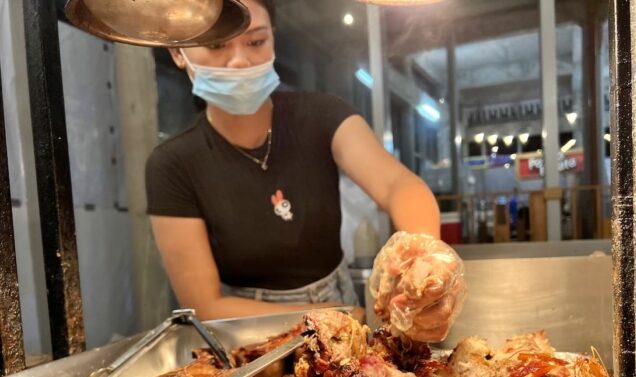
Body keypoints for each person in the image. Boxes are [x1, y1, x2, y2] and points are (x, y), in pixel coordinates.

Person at [145, 0, 442, 324]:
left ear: (272, 38)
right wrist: (327, 314)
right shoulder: (173, 164)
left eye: (256, 42)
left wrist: (425, 254)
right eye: (217, 45)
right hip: (249, 328)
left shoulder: (322, 115)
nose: (240, 60)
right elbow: (206, 305)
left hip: (339, 302)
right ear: (178, 52)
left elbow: (397, 184)